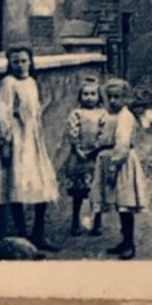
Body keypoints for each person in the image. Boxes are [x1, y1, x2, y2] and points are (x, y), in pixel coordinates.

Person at [0, 46, 61, 252]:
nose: (21, 65)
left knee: (42, 184)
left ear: (30, 62)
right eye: (16, 62)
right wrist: (6, 142)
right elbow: (3, 113)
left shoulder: (31, 83)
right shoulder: (8, 83)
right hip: (18, 140)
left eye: (24, 61)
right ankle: (23, 235)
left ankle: (38, 233)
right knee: (19, 184)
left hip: (33, 138)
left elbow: (35, 112)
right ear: (10, 64)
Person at [97, 77, 148, 260]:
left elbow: (123, 144)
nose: (112, 101)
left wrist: (113, 168)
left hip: (122, 163)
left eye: (117, 97)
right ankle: (124, 240)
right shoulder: (113, 115)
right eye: (109, 97)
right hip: (113, 161)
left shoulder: (125, 117)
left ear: (125, 98)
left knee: (125, 204)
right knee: (120, 204)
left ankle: (129, 243)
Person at [64, 77, 107, 237]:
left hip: (96, 157)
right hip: (79, 156)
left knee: (96, 192)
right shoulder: (76, 113)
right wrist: (78, 148)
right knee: (78, 192)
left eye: (93, 94)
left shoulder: (102, 113)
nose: (89, 97)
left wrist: (95, 148)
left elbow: (103, 133)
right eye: (85, 94)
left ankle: (97, 222)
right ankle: (75, 221)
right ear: (80, 96)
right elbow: (72, 131)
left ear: (98, 96)